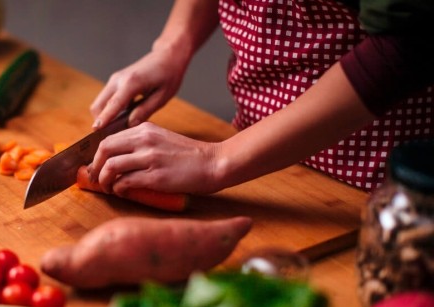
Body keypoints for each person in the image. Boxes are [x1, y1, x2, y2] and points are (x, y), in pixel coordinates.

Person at [86, 0, 434, 196]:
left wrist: (217, 160)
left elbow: (405, 44)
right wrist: (173, 45)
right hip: (258, 168)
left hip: (374, 186)